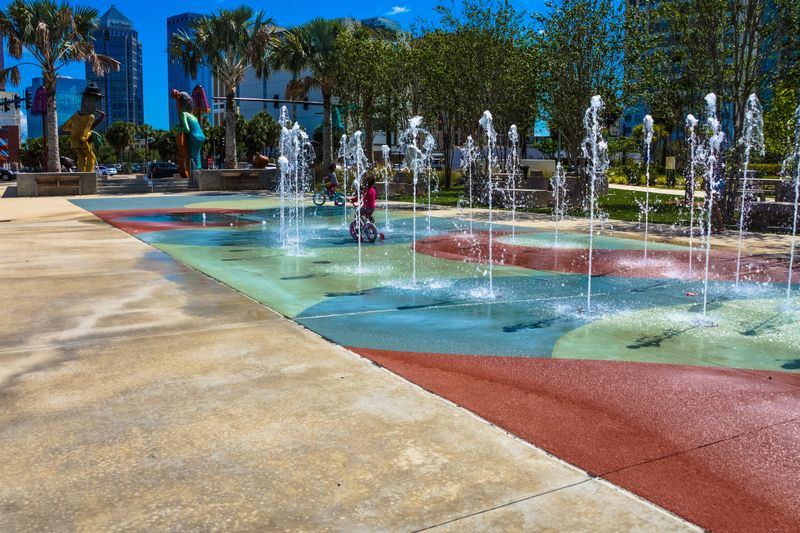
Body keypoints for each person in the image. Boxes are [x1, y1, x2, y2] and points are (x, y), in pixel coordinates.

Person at [61, 82, 106, 173]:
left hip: (74, 141)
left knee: (82, 157)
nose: (94, 104)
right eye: (93, 101)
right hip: (83, 140)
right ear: (86, 100)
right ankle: (89, 174)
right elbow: (87, 129)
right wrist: (84, 137)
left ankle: (80, 173)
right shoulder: (90, 117)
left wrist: (74, 131)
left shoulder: (75, 115)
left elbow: (64, 127)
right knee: (91, 157)